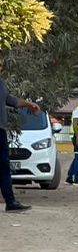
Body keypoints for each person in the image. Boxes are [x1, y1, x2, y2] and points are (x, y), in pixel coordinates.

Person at [0, 66, 40, 212]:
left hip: (0, 130)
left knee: (4, 167)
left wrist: (29, 104)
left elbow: (10, 100)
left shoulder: (1, 83)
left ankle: (10, 202)